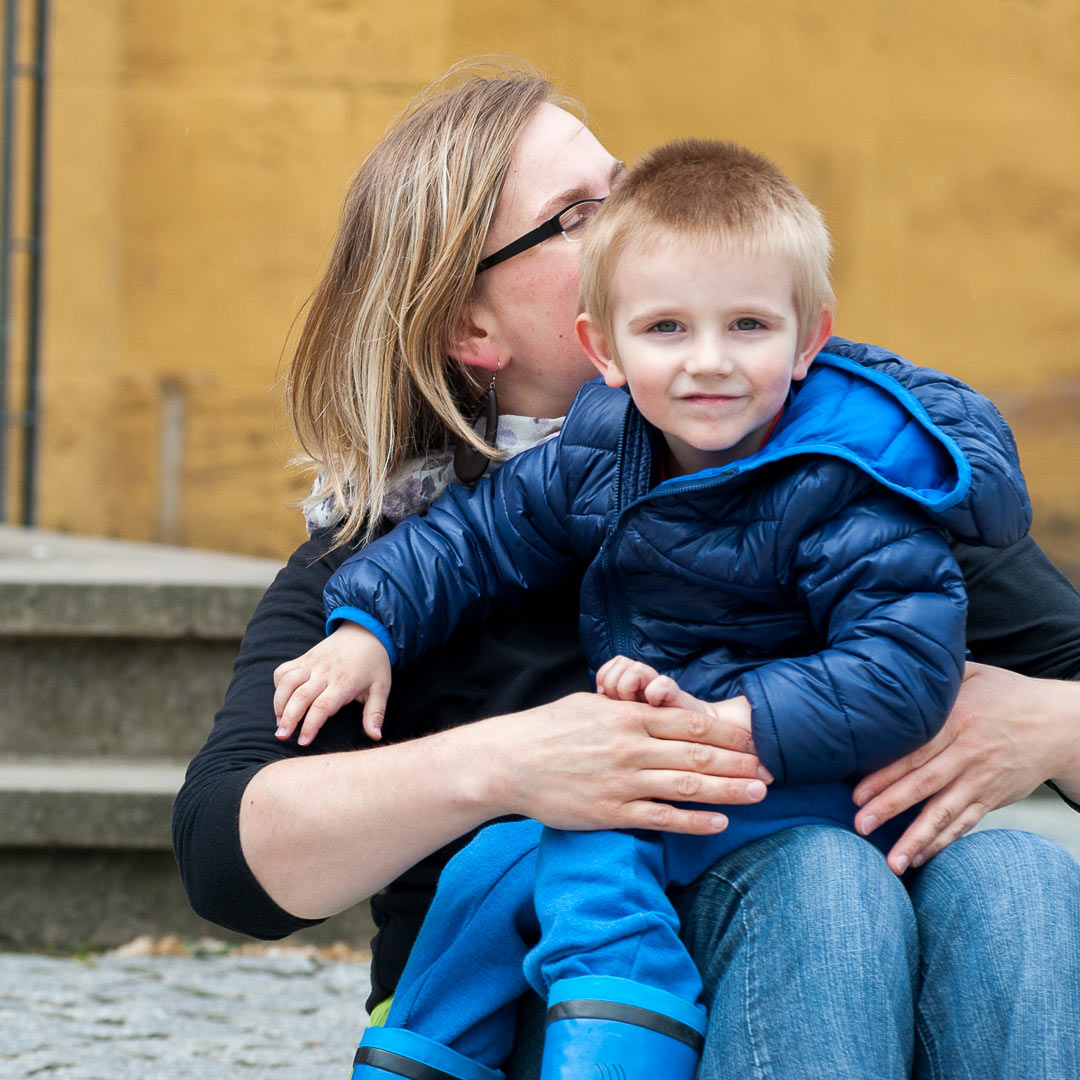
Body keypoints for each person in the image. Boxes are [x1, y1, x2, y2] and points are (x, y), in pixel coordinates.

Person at [172, 58, 1080, 1080]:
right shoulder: (401, 543)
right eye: (576, 215)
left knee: (1020, 878)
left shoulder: (829, 470)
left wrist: (1046, 722)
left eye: (624, 187)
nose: (634, 221)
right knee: (821, 883)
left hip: (854, 978)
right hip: (566, 1008)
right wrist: (508, 766)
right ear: (472, 326)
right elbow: (227, 860)